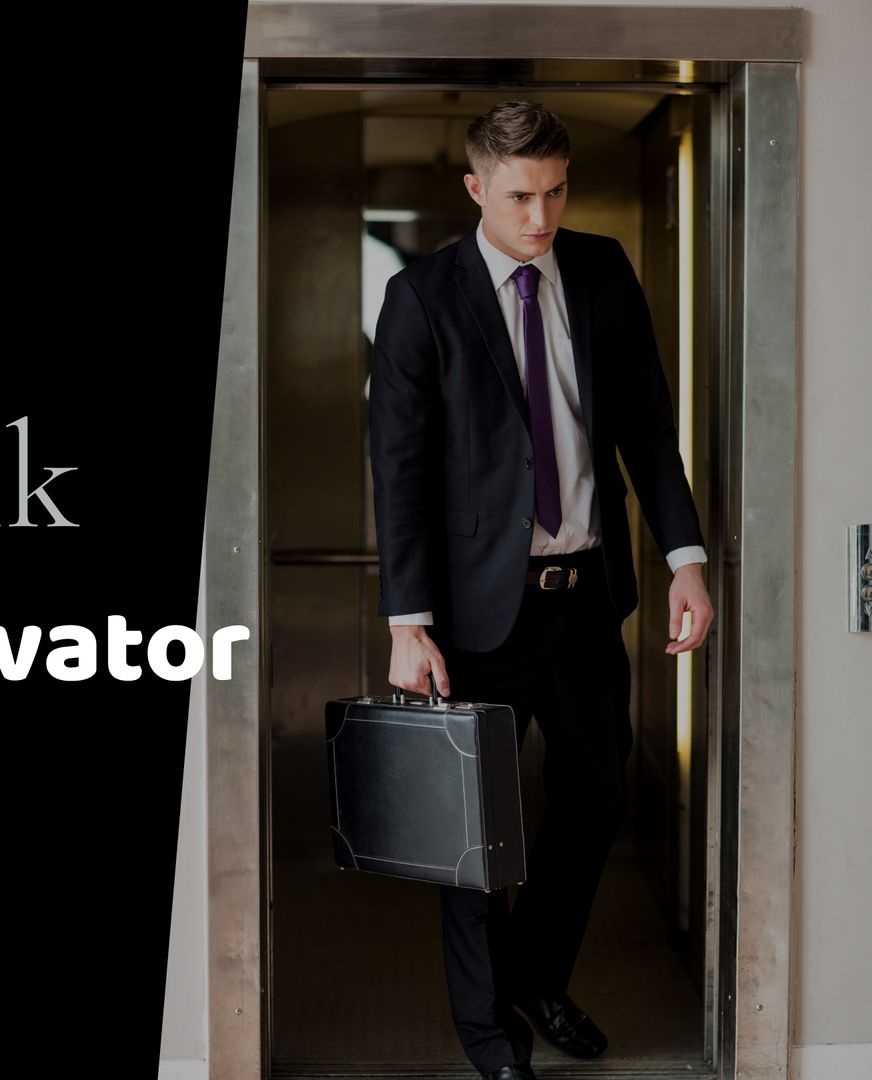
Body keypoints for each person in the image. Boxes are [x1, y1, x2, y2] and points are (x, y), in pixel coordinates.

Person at [368, 100, 714, 1080]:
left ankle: (534, 974)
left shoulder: (602, 271)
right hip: (474, 619)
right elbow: (399, 468)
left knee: (597, 799)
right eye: (522, 195)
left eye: (557, 191)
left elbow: (649, 428)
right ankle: (490, 1036)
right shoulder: (424, 299)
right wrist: (409, 622)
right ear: (477, 188)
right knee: (473, 839)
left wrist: (685, 557)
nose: (542, 215)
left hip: (585, 600)